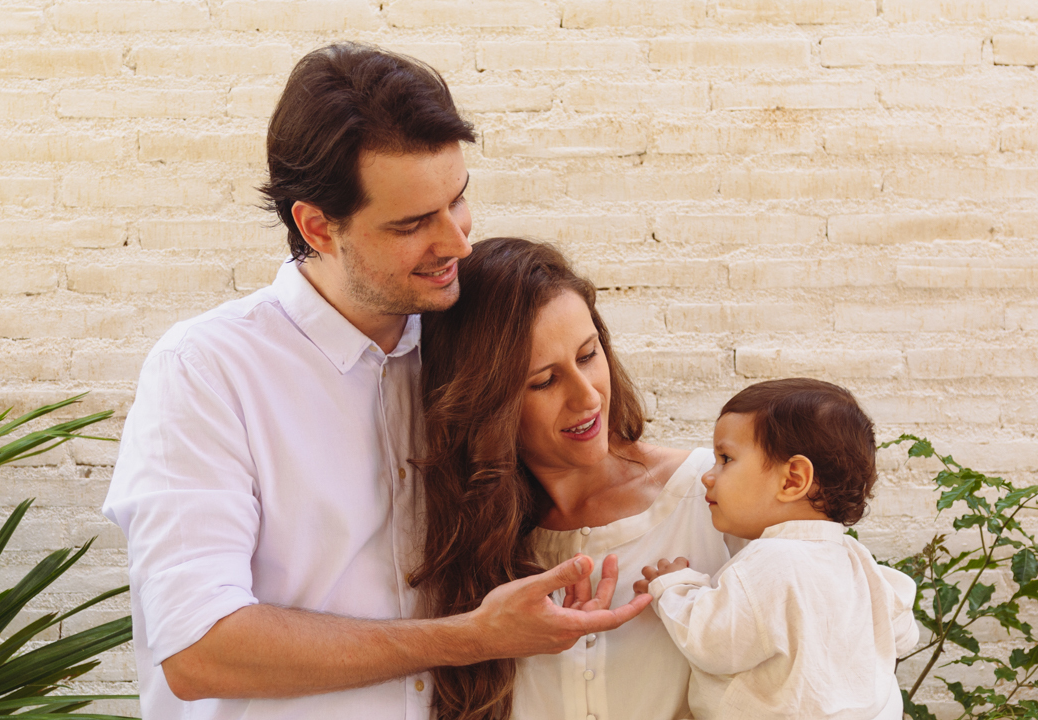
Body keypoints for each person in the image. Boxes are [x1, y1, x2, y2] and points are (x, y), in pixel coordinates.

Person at [102, 44, 648, 720]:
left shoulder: (471, 344)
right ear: (317, 227)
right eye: (414, 224)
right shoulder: (208, 372)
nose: (457, 243)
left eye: (458, 200)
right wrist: (467, 639)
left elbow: (583, 464)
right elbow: (199, 650)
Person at [414, 237, 742, 720]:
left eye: (588, 355)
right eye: (545, 381)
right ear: (485, 406)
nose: (587, 397)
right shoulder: (461, 539)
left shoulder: (716, 497)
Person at [635, 378, 919, 719]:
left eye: (725, 458)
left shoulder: (773, 560)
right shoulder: (854, 559)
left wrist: (675, 587)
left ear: (792, 480)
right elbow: (903, 634)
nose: (707, 476)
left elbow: (711, 640)